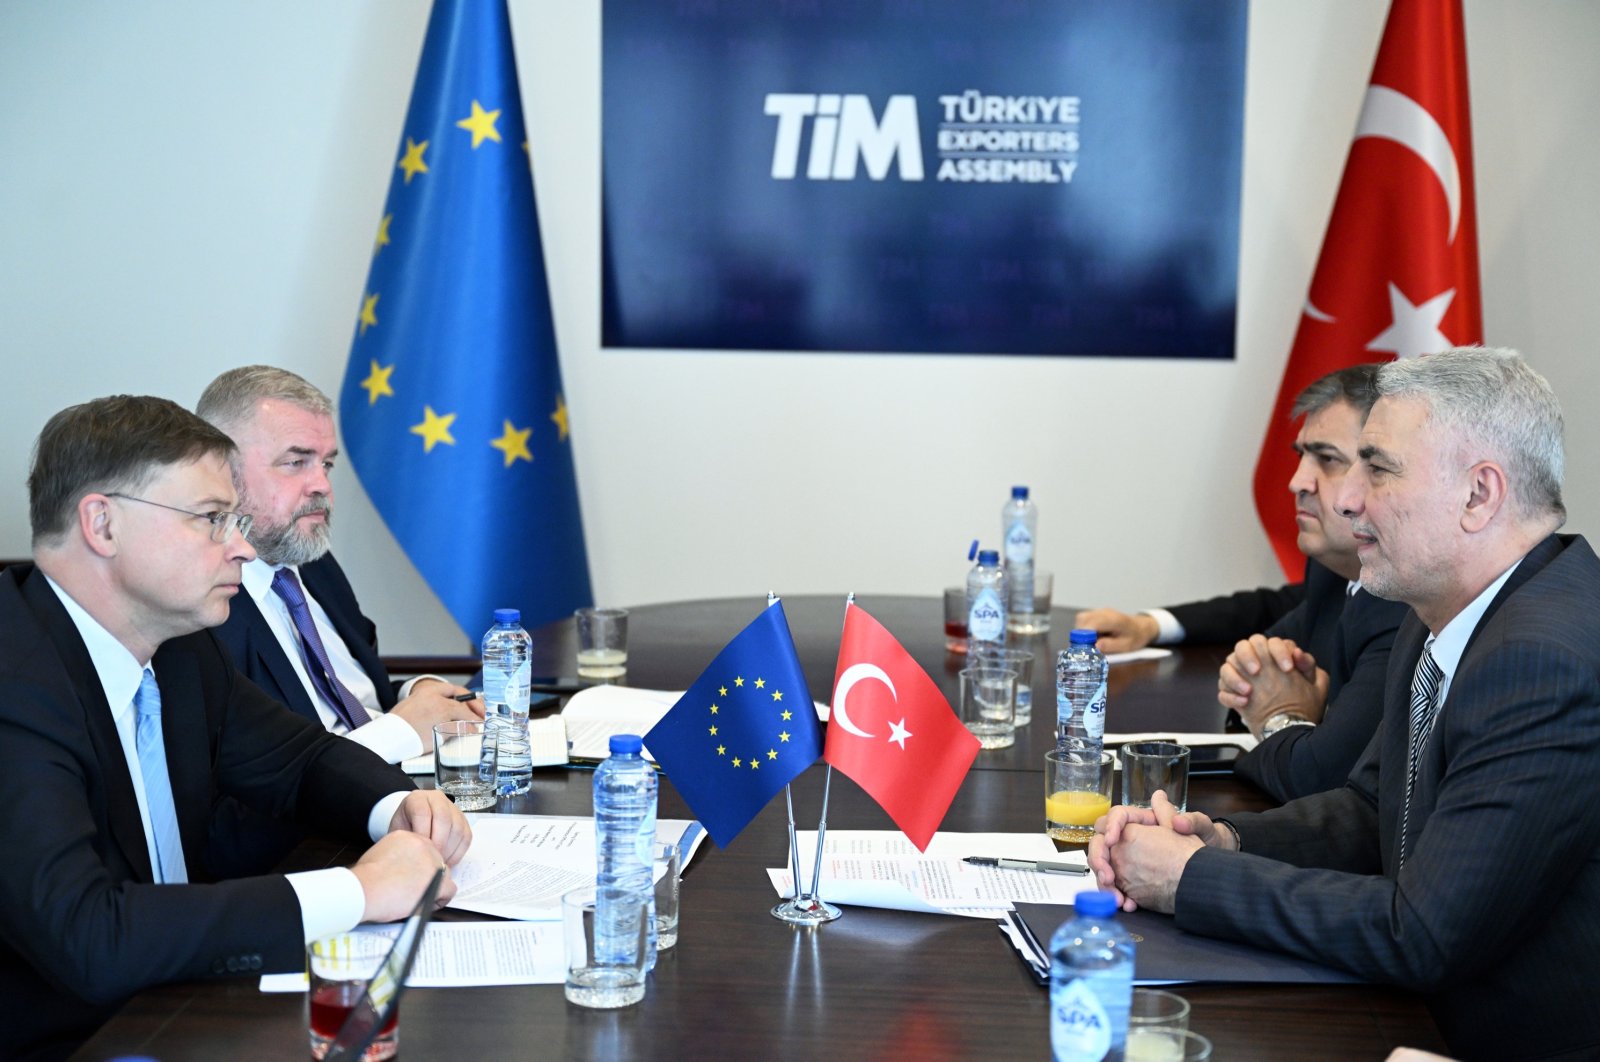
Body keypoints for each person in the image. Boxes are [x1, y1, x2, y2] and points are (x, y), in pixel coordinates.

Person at [1088, 348, 1600, 1060]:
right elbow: (1373, 810)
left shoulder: (1542, 660)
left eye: (1379, 469)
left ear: (1479, 496)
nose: (1349, 499)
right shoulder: (1444, 610)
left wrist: (1192, 879)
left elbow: (1422, 933)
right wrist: (1226, 842)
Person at [0, 395, 472, 1061]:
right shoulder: (14, 683)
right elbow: (90, 937)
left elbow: (303, 759)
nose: (244, 548)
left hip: (185, 1004)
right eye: (213, 519)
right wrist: (358, 890)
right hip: (79, 1038)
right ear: (102, 524)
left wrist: (398, 809)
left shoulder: (182, 648)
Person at [1081, 365, 1409, 801]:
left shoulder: (1403, 602)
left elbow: (1316, 779)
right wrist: (1154, 627)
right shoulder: (1336, 573)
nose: (1296, 482)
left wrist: (1280, 717)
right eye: (1300, 456)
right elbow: (1269, 622)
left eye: (1327, 459)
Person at [196, 366, 482, 764]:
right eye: (296, 462)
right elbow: (261, 773)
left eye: (326, 464)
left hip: (405, 782)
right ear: (223, 471)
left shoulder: (313, 562)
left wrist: (417, 692)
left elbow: (353, 693)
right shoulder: (202, 604)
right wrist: (401, 731)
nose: (322, 486)